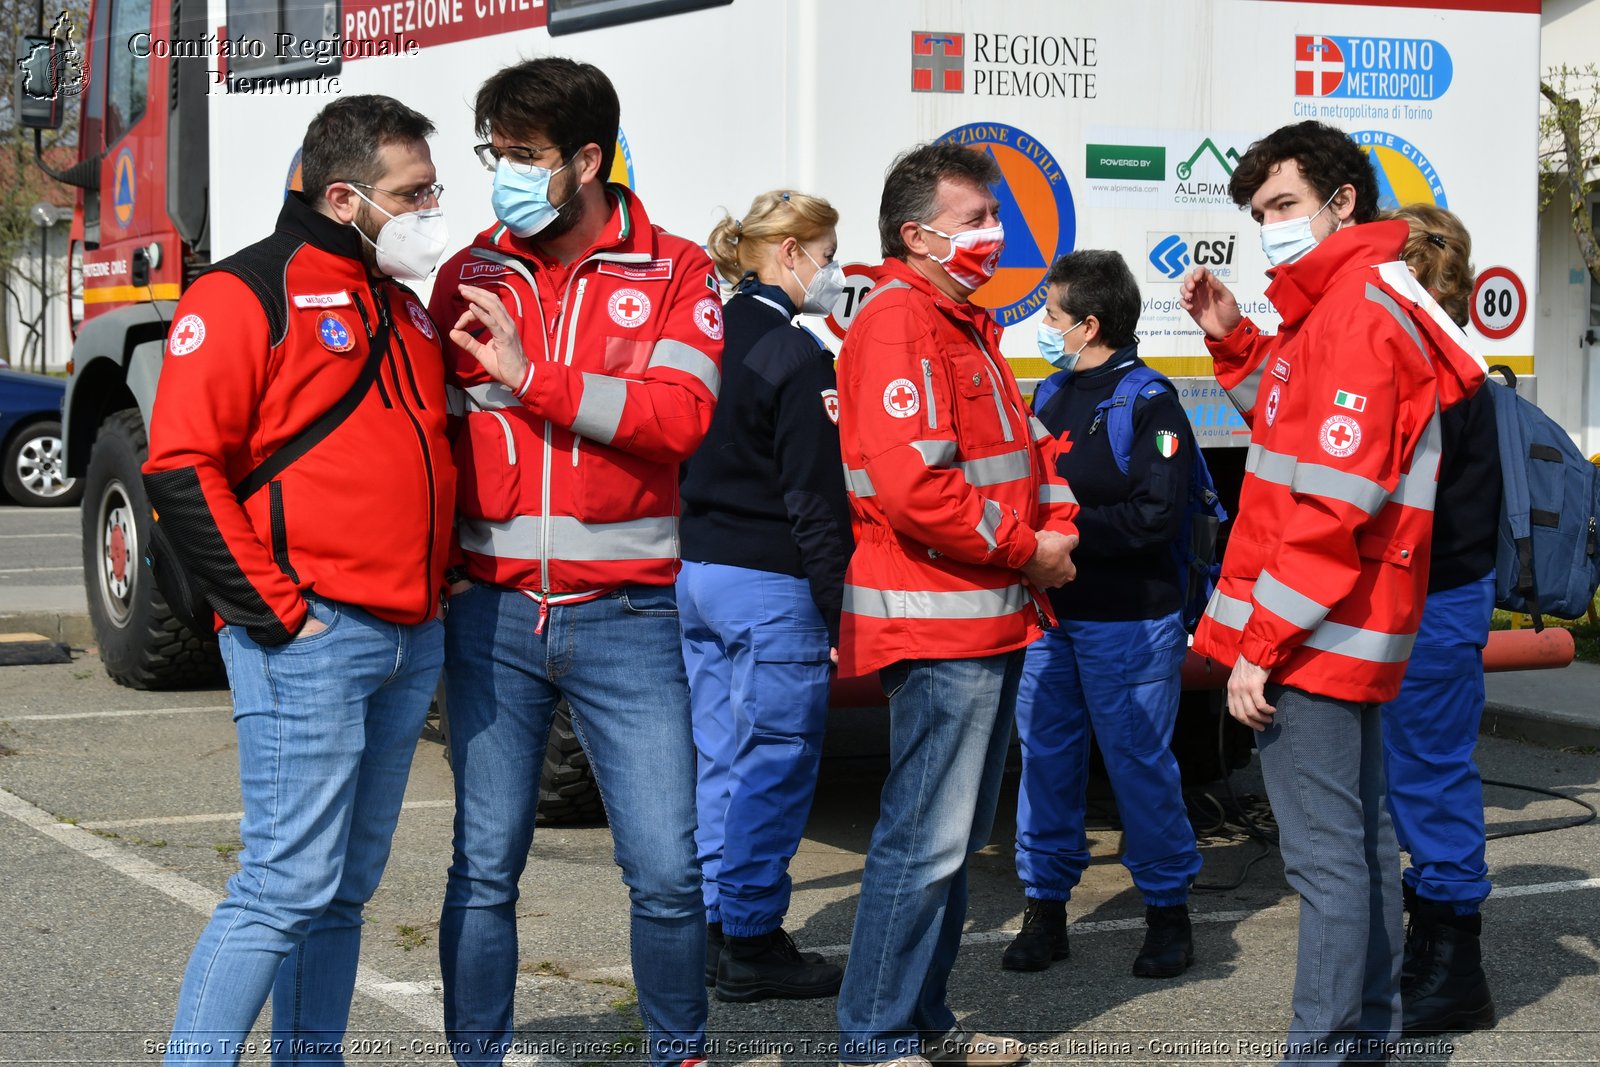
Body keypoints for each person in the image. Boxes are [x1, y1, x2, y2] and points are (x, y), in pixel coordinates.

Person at [143, 95, 455, 1064]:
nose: (431, 207)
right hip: (314, 632)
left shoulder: (398, 303)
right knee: (284, 884)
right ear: (342, 195)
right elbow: (180, 468)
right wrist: (281, 617)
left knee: (344, 885)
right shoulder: (244, 292)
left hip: (409, 633)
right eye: (413, 192)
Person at [427, 58, 721, 1067]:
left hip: (628, 616)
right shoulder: (468, 271)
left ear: (587, 159)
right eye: (494, 153)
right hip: (491, 613)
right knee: (483, 865)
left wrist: (536, 378)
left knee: (668, 870)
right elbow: (430, 434)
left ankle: (676, 1051)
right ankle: (476, 1053)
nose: (503, 173)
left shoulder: (679, 269)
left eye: (525, 155)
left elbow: (679, 420)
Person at [1178, 120, 1484, 1064]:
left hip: (1318, 632)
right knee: (1351, 853)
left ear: (1342, 202)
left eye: (1283, 206)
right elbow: (1293, 421)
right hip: (1345, 629)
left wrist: (1261, 642)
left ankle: (1324, 1048)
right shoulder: (1346, 304)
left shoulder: (1353, 311)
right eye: (1260, 212)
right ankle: (1362, 1042)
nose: (1269, 227)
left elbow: (1329, 508)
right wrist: (1234, 340)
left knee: (1326, 863)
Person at [834, 141, 1080, 1067]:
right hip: (939, 623)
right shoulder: (902, 322)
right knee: (923, 842)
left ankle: (923, 1021)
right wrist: (1031, 550)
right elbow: (916, 489)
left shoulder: (961, 320)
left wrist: (1055, 523)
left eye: (993, 216)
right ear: (916, 234)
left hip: (985, 616)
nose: (995, 234)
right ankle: (875, 1036)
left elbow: (1028, 454)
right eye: (975, 218)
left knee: (954, 843)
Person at [1000, 250, 1202, 978]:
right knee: (1045, 764)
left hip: (1129, 623)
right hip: (1051, 620)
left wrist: (1068, 537)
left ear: (1090, 324)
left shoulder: (1152, 402)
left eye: (1051, 315)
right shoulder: (1048, 396)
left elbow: (1156, 514)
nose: (1041, 326)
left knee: (1139, 765)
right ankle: (1045, 908)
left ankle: (1169, 915)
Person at [679, 189, 853, 1002]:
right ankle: (750, 939)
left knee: (720, 757)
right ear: (787, 254)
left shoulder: (703, 336)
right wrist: (834, 605)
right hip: (768, 582)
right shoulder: (795, 354)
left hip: (699, 573)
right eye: (825, 252)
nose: (833, 268)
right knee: (776, 759)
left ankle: (719, 924)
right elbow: (815, 498)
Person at [1379, 203, 1500, 1036]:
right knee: (1417, 775)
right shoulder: (1445, 357)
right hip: (1435, 599)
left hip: (1433, 601)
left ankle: (1456, 969)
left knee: (1427, 775)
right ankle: (1434, 946)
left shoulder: (1431, 365)